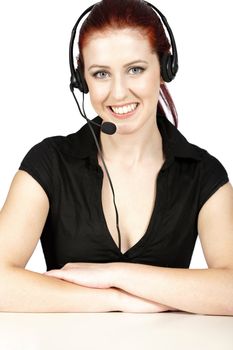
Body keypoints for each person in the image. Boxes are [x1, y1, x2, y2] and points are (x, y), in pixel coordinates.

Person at [0, 0, 233, 315]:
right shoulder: (49, 163)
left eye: (135, 69)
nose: (119, 92)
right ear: (82, 81)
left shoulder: (203, 173)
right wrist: (117, 299)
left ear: (165, 70)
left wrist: (114, 274)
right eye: (100, 74)